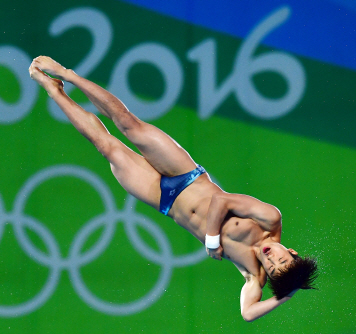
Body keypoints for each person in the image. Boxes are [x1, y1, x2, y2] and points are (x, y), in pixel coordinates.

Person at [28, 56, 318, 321]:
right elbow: (222, 202)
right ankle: (69, 75)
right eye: (280, 259)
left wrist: (284, 296)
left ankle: (55, 90)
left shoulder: (253, 275)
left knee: (107, 148)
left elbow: (248, 313)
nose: (271, 259)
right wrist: (213, 240)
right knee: (129, 125)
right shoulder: (270, 218)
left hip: (163, 199)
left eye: (273, 269)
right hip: (186, 174)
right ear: (291, 251)